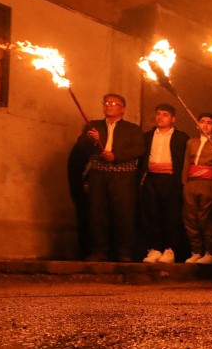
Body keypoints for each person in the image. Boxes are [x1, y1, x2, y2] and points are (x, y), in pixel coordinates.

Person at [76, 92, 144, 262]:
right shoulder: (93, 126)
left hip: (123, 176)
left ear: (123, 109)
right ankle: (98, 251)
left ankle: (124, 252)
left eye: (114, 103)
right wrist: (92, 140)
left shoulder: (132, 129)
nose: (108, 105)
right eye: (106, 102)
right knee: (97, 212)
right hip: (99, 174)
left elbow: (139, 149)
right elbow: (81, 147)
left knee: (123, 213)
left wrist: (116, 155)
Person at [138, 103, 188, 264]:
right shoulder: (147, 136)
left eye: (164, 114)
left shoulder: (181, 138)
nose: (160, 117)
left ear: (173, 119)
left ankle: (170, 249)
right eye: (158, 114)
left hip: (171, 179)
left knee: (171, 215)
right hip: (152, 178)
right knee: (151, 215)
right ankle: (154, 249)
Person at [181, 113, 212, 265]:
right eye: (202, 122)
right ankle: (196, 251)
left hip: (208, 184)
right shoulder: (191, 142)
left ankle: (209, 252)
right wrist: (184, 184)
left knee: (206, 219)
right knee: (190, 218)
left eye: (209, 123)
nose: (205, 125)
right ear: (197, 124)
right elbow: (186, 163)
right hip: (191, 183)